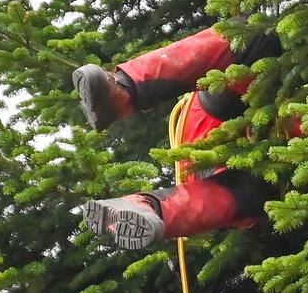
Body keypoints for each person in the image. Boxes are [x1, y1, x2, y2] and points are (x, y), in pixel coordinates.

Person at [73, 26, 285, 249]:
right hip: (210, 129)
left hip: (210, 158)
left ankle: (143, 208)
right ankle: (121, 90)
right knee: (252, 37)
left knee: (252, 193)